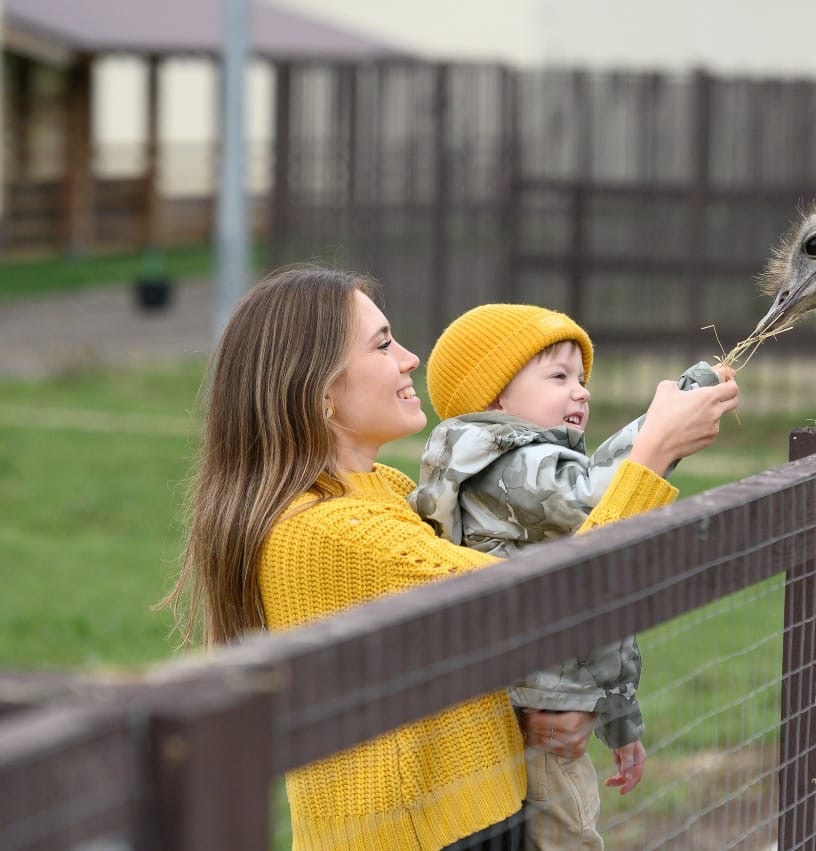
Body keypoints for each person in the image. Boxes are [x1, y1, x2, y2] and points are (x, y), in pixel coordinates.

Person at [161, 265, 739, 851]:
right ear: (322, 390)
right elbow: (549, 598)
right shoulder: (333, 531)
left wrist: (538, 708)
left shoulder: (379, 490)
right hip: (428, 835)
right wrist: (655, 453)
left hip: (468, 814)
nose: (411, 358)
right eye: (383, 344)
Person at [409, 304, 730, 850]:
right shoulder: (507, 467)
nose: (581, 391)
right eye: (558, 377)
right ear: (495, 398)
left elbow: (605, 603)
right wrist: (668, 424)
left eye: (582, 379)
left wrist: (621, 722)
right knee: (569, 838)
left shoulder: (535, 471)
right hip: (542, 712)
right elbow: (603, 494)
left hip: (552, 701)